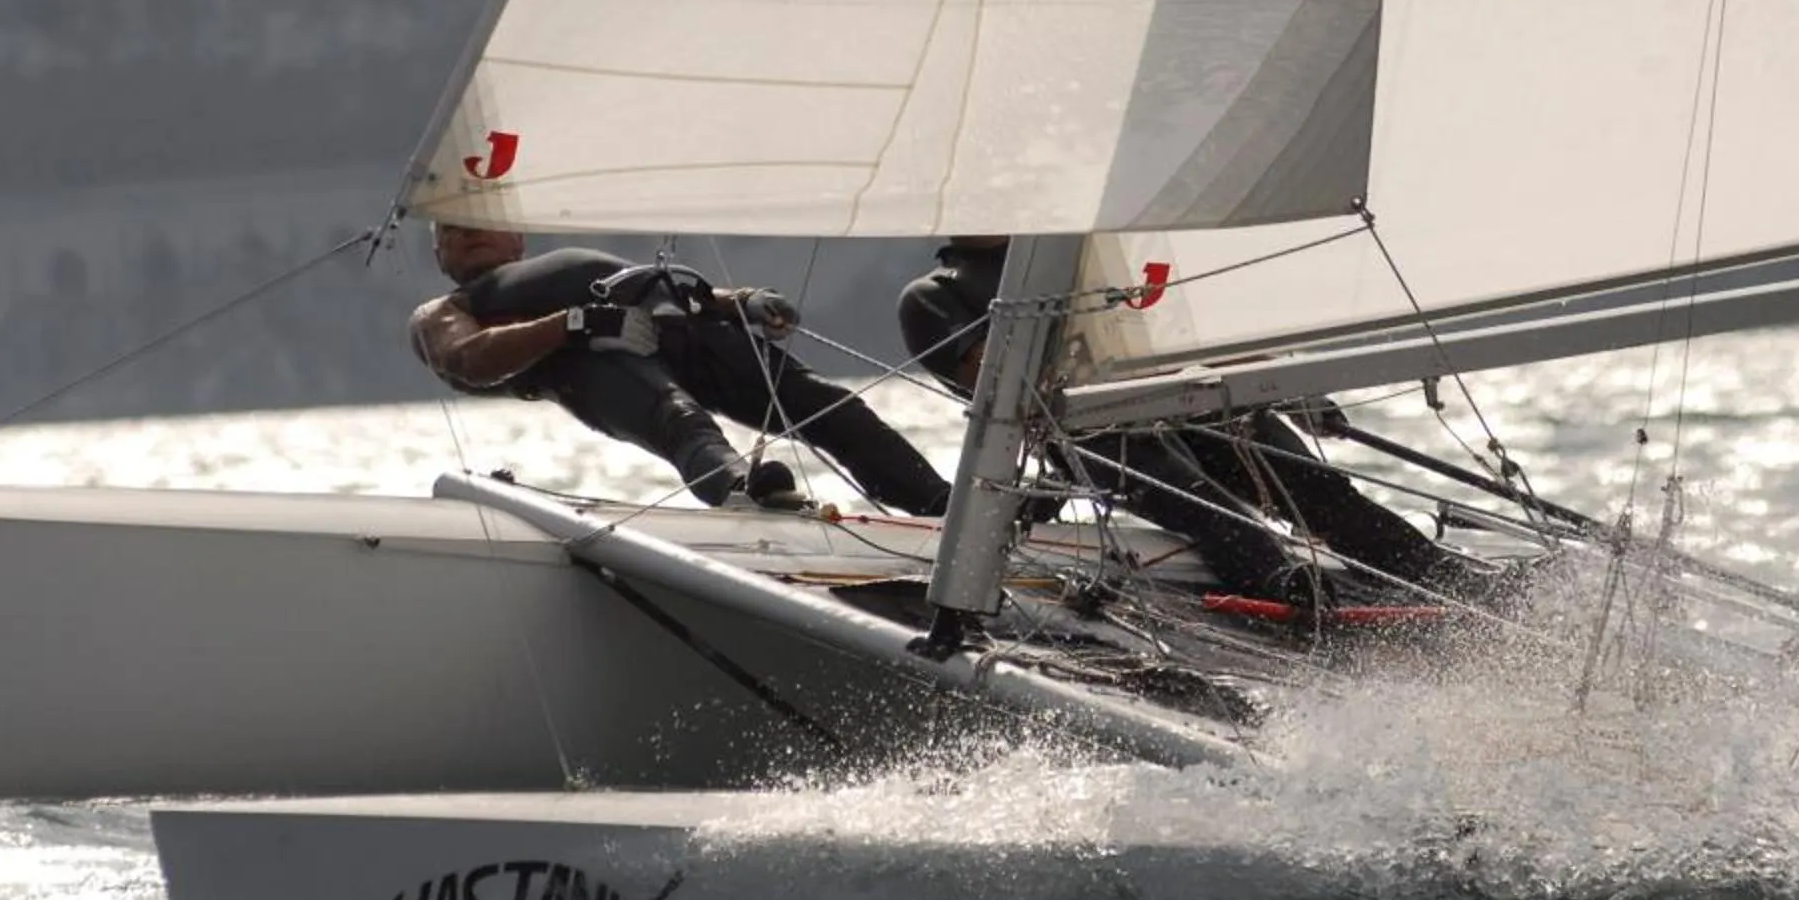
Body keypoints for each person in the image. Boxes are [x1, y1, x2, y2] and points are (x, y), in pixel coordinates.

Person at [896, 238, 1487, 606]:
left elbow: (1188, 332)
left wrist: (1300, 395)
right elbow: (999, 385)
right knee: (1208, 508)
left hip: (1195, 405)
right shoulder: (932, 295)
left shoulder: (1100, 255)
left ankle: (1445, 579)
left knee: (1320, 492)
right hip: (1097, 432)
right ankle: (1288, 591)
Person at [414, 224, 952, 517]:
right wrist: (576, 324)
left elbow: (657, 290)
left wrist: (737, 301)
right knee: (682, 421)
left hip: (679, 330)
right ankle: (746, 490)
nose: (465, 231)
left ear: (518, 240)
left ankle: (940, 505)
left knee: (827, 404)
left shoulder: (554, 268)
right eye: (449, 232)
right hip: (587, 363)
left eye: (478, 222)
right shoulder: (445, 311)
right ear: (439, 257)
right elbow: (468, 358)